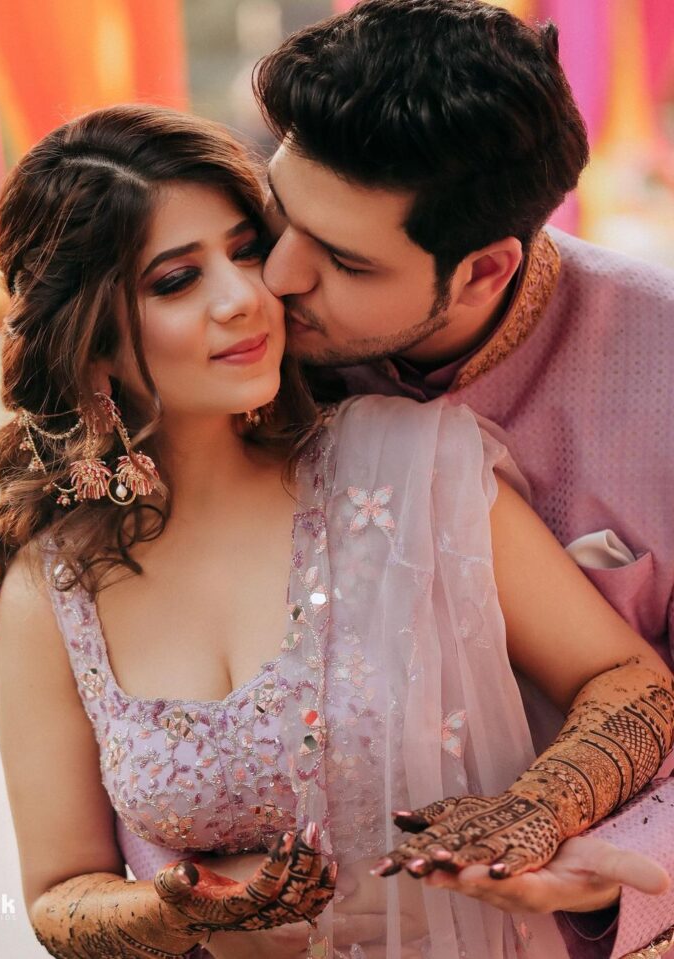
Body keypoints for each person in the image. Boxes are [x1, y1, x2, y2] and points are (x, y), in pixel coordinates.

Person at [0, 104, 674, 959]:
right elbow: (58, 890)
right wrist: (178, 909)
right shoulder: (55, 581)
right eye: (174, 280)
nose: (243, 298)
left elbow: (630, 678)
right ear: (89, 343)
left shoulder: (412, 468)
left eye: (244, 250)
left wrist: (534, 809)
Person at [248, 1, 674, 956]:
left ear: (484, 271)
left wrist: (608, 856)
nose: (275, 274)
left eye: (343, 261)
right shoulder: (245, 359)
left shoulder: (667, 370)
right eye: (281, 214)